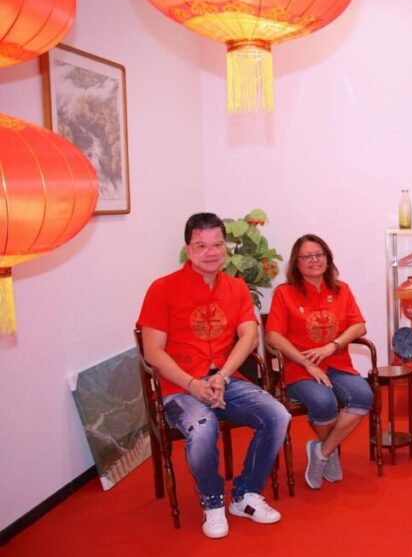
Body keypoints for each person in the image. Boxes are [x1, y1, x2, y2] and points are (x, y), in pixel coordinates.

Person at [137, 213, 290, 539]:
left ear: (226, 247)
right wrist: (193, 384)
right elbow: (153, 352)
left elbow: (249, 335)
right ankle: (213, 501)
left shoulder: (236, 287)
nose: (211, 252)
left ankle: (245, 493)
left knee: (277, 415)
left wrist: (222, 375)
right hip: (179, 386)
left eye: (217, 244)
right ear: (187, 249)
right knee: (203, 428)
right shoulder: (162, 289)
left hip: (223, 380)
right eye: (201, 245)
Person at [265, 234, 374, 490]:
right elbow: (272, 336)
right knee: (323, 402)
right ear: (296, 262)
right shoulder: (284, 293)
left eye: (319, 255)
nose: (314, 260)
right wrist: (307, 363)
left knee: (363, 396)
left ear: (327, 258)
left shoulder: (341, 289)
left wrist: (333, 345)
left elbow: (359, 326)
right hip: (300, 368)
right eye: (307, 256)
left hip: (337, 362)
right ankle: (331, 451)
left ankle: (323, 452)